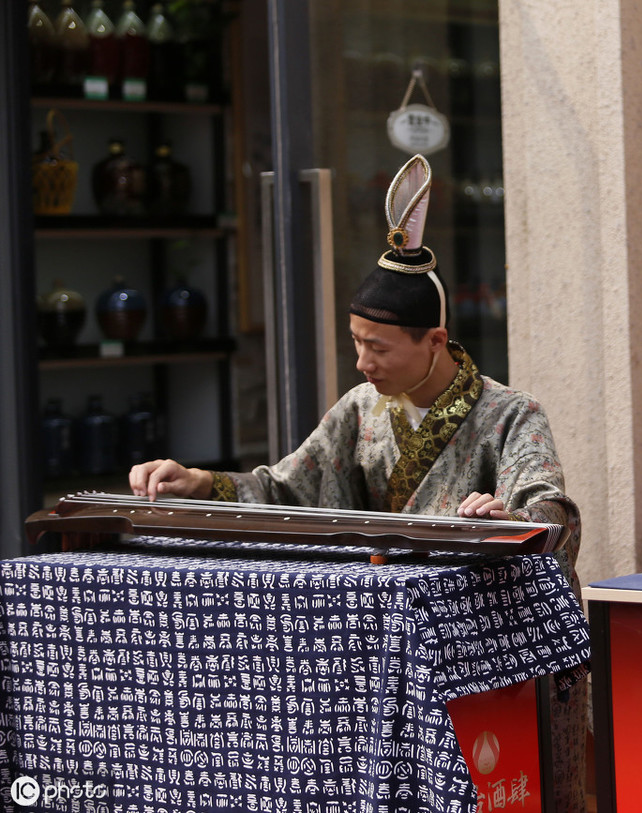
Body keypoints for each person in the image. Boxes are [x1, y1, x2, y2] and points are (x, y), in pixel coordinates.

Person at [128, 155, 588, 811]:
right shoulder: (358, 408)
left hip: (478, 650)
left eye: (378, 347)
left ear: (435, 340)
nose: (361, 362)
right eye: (356, 342)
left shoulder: (508, 413)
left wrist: (505, 516)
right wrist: (198, 481)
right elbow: (289, 488)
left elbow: (549, 507)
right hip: (378, 641)